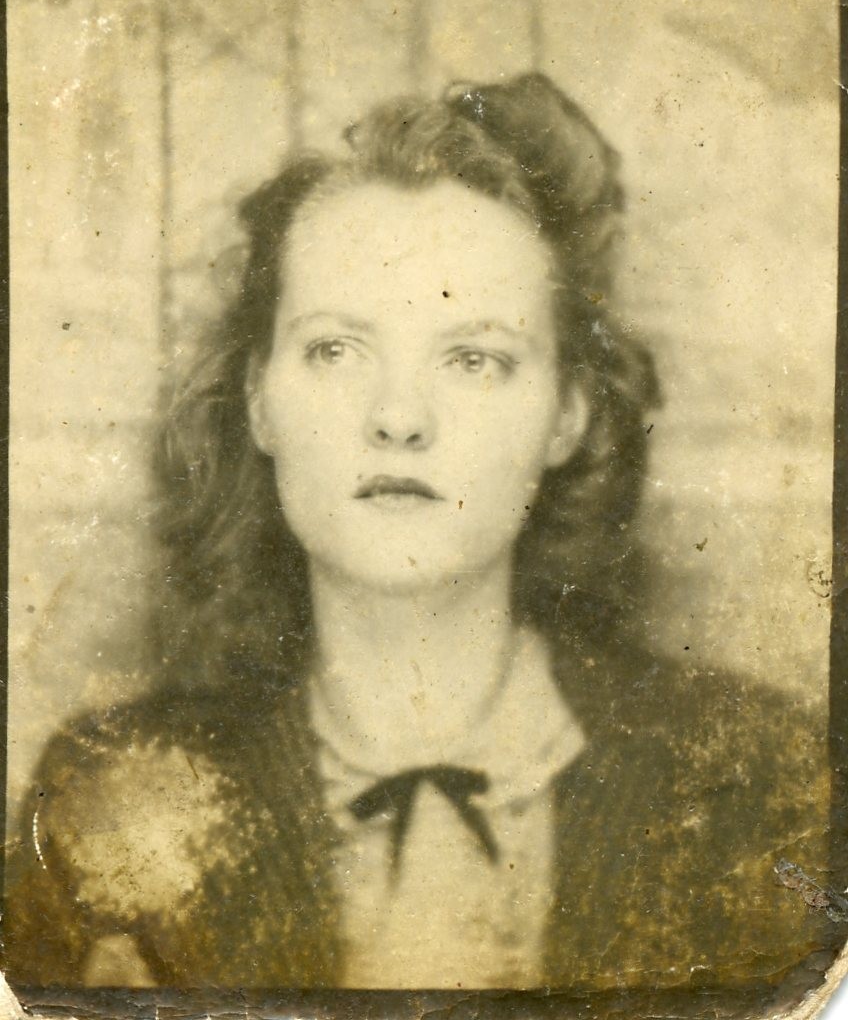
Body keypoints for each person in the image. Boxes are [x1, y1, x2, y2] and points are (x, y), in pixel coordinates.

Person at [3, 74, 837, 994]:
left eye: (473, 358)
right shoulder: (105, 798)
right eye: (335, 350)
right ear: (258, 400)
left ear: (568, 412)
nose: (399, 418)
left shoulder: (754, 780)